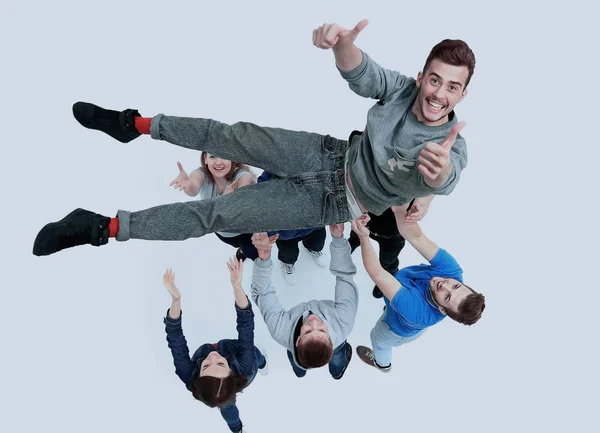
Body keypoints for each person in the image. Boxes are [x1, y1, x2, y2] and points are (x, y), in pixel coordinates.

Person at [33, 20, 475, 256]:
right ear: (422, 76)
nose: (438, 94)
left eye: (452, 87)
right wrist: (340, 41)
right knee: (229, 136)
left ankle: (101, 227)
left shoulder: (450, 149)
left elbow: (447, 177)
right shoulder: (401, 89)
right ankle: (133, 124)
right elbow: (359, 70)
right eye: (434, 80)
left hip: (333, 202)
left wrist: (435, 182)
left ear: (463, 93)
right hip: (327, 152)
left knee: (217, 215)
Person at [352, 209, 485, 373]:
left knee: (378, 339)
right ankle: (395, 309)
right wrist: (400, 207)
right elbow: (416, 237)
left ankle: (382, 364)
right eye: (456, 286)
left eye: (447, 296)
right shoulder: (453, 272)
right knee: (398, 305)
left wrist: (364, 237)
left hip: (395, 329)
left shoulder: (415, 311)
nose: (445, 285)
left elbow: (377, 273)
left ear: (443, 309)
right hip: (405, 309)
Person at [162, 260, 267, 433]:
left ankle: (263, 362)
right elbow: (246, 325)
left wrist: (176, 300)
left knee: (253, 359)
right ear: (231, 372)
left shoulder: (188, 376)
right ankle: (237, 428)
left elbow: (175, 340)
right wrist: (237, 287)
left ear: (198, 377)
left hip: (232, 366)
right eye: (220, 364)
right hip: (248, 365)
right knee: (254, 358)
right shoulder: (244, 366)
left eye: (205, 366)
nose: (212, 357)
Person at [249, 223, 358, 379]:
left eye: (307, 331)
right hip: (335, 338)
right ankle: (312, 368)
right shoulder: (344, 323)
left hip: (310, 344)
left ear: (298, 340)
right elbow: (344, 276)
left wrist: (264, 260)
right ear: (330, 337)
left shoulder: (280, 332)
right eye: (321, 330)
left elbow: (262, 292)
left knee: (325, 358)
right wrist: (338, 239)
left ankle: (307, 369)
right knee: (336, 351)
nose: (313, 322)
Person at [170, 152, 258, 261]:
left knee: (252, 252)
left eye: (224, 156)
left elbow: (246, 190)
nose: (218, 162)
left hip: (245, 232)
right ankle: (241, 249)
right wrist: (188, 185)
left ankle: (247, 252)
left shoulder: (242, 176)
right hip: (222, 232)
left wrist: (232, 201)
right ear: (205, 159)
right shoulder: (201, 174)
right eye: (212, 156)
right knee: (235, 244)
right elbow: (193, 187)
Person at [348, 196, 434, 298]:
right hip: (367, 218)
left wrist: (422, 204)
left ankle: (387, 277)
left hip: (393, 234)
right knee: (356, 234)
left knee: (387, 260)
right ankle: (354, 241)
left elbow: (431, 187)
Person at [257, 171, 328, 285]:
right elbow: (261, 194)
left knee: (317, 243)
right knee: (288, 254)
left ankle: (314, 250)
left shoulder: (316, 161)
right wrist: (271, 231)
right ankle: (288, 263)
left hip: (314, 224)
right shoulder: (273, 167)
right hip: (285, 231)